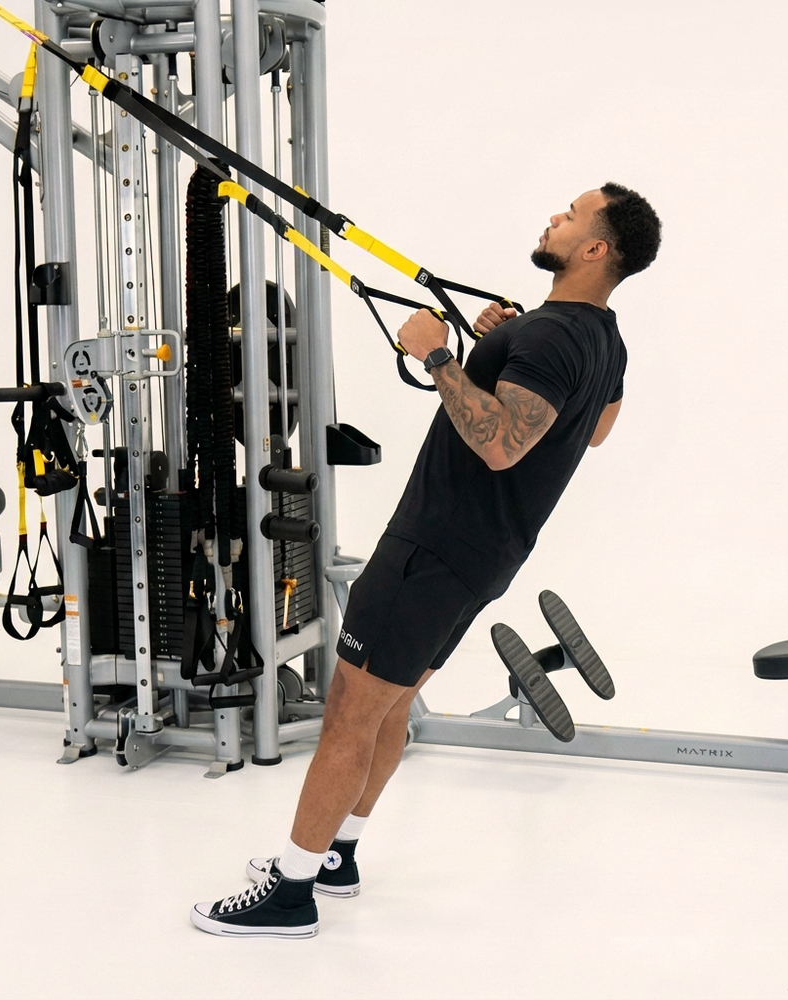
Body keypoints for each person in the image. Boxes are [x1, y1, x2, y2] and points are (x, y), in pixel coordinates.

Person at [191, 182, 662, 938]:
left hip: (434, 548)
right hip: (484, 555)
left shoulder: (550, 336)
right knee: (389, 706)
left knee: (350, 712)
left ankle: (291, 892)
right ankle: (336, 855)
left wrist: (438, 353)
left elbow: (501, 444)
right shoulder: (601, 337)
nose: (555, 217)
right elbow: (595, 428)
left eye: (572, 215)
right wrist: (499, 345)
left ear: (596, 249)